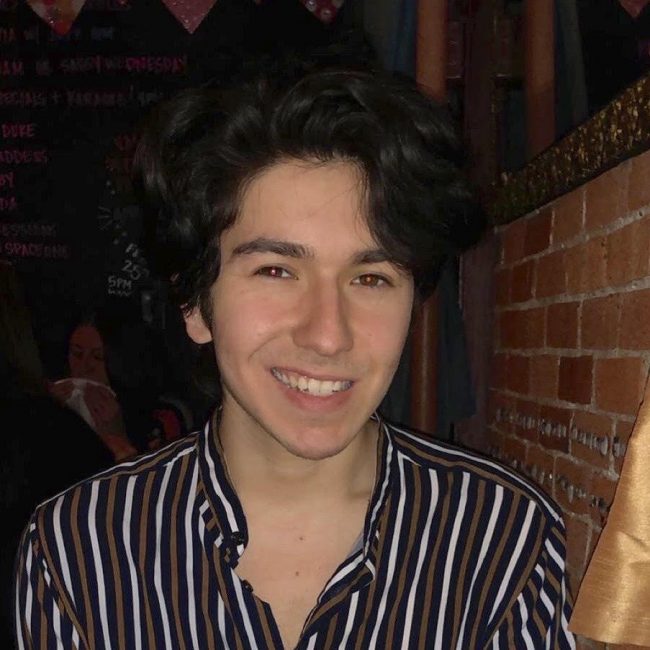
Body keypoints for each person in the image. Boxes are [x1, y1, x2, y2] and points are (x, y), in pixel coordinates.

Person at [14, 69, 575, 649]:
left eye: (371, 278)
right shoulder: (78, 550)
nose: (328, 335)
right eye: (276, 271)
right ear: (195, 304)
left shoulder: (504, 542)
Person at [0, 263, 112, 648]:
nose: (85, 366)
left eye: (97, 356)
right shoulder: (60, 432)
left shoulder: (56, 434)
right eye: (77, 354)